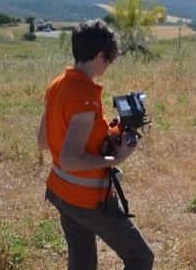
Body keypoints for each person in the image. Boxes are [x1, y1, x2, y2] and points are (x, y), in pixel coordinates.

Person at [37, 19, 154, 270]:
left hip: (60, 191)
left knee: (82, 261)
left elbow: (44, 141)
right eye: (110, 58)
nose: (109, 63)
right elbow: (70, 158)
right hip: (87, 198)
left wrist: (105, 137)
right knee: (141, 257)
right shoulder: (85, 98)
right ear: (101, 55)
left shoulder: (57, 85)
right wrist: (115, 159)